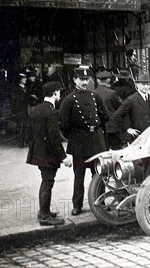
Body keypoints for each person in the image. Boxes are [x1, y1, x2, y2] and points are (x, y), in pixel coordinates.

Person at [59, 66, 109, 216]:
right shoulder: (68, 100)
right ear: (75, 80)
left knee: (99, 174)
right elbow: (63, 124)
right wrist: (75, 135)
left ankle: (101, 202)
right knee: (79, 176)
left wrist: (99, 132)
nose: (84, 82)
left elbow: (105, 116)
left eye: (87, 79)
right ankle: (77, 205)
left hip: (96, 142)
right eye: (81, 79)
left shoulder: (95, 97)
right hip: (80, 143)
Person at [26, 81, 72, 226]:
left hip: (38, 152)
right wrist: (63, 157)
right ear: (55, 92)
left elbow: (29, 134)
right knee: (48, 182)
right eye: (59, 92)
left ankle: (43, 211)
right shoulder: (51, 112)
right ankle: (45, 215)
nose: (59, 94)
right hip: (48, 154)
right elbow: (54, 137)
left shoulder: (36, 109)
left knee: (46, 180)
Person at [113, 73, 150, 143]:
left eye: (148, 84)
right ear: (137, 85)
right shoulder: (131, 100)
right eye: (143, 84)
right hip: (139, 137)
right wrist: (127, 129)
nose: (146, 87)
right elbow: (117, 116)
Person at [94, 70, 123, 150]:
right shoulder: (112, 93)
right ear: (108, 80)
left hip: (99, 126)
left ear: (98, 80)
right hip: (112, 126)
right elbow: (120, 107)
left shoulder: (93, 92)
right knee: (116, 148)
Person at [10, 72, 30, 147]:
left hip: (26, 108)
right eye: (23, 78)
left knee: (26, 125)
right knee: (21, 125)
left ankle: (25, 141)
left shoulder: (25, 88)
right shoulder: (16, 89)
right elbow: (15, 100)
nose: (25, 79)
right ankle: (21, 142)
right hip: (20, 109)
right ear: (20, 79)